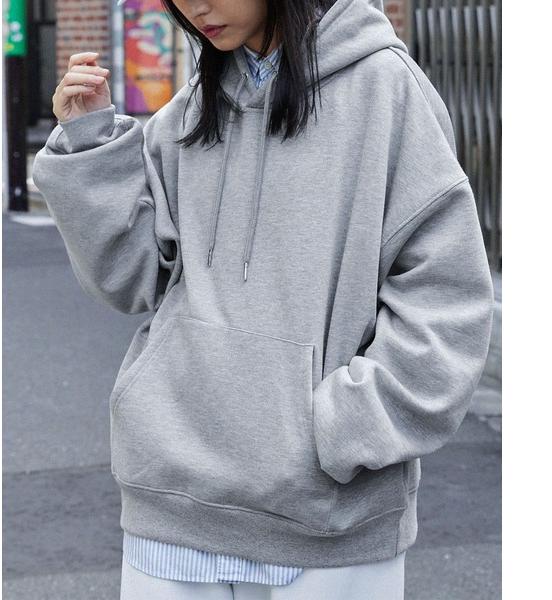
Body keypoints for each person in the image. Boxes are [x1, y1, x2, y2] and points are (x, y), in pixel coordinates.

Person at [32, 0, 495, 598]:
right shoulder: (195, 107)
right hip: (172, 503)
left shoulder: (383, 89)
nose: (194, 7)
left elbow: (447, 294)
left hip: (326, 521)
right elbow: (131, 278)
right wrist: (89, 141)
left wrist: (343, 428)